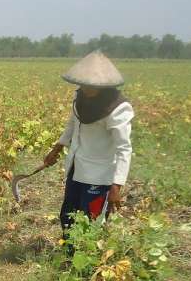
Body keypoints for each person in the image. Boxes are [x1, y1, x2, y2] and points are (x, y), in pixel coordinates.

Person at [42, 50, 134, 235]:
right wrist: (57, 147)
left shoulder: (118, 109)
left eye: (91, 85)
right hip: (76, 168)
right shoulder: (80, 99)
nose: (86, 88)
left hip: (100, 176)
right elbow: (72, 124)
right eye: (83, 84)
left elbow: (124, 148)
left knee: (91, 220)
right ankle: (69, 257)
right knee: (68, 216)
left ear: (104, 85)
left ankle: (87, 262)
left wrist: (116, 186)